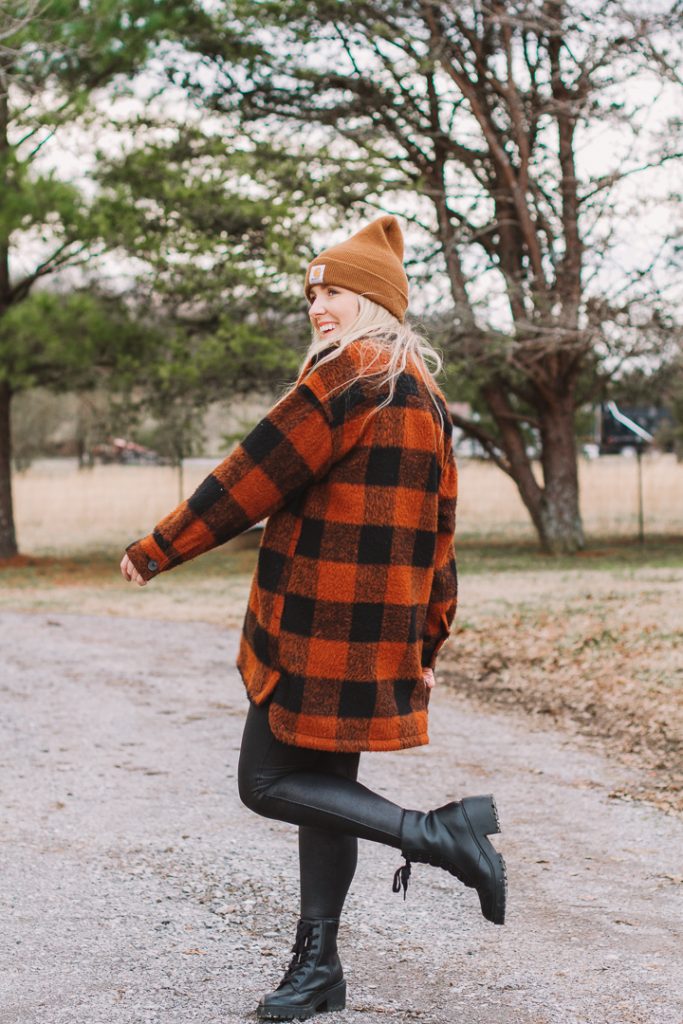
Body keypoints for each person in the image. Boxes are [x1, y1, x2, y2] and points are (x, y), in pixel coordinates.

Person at [120, 215, 506, 1022]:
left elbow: (249, 475)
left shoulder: (349, 378)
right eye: (311, 295)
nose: (317, 308)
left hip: (314, 631)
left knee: (265, 783)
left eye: (332, 292)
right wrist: (428, 637)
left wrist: (159, 547)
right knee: (325, 789)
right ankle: (318, 966)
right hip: (372, 643)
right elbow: (443, 537)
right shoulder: (426, 398)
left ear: (373, 301)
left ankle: (436, 835)